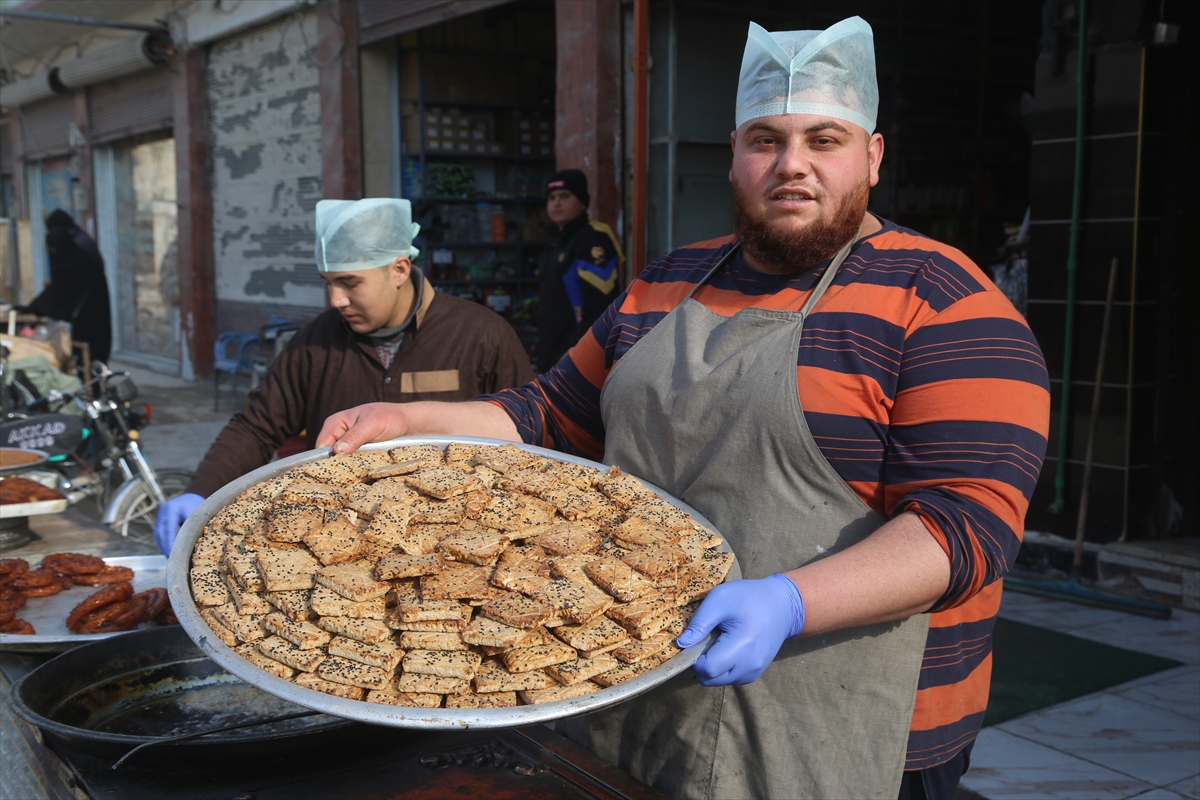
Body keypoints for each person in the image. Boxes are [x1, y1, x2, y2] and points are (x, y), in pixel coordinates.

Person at [317, 18, 1049, 800]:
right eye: (766, 140)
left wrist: (792, 602)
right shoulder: (667, 282)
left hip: (852, 732)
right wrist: (408, 421)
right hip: (643, 697)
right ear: (734, 151)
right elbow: (549, 415)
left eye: (824, 140)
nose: (792, 165)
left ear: (871, 156)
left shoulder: (945, 306)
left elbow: (966, 527)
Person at [153, 198, 533, 555]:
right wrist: (201, 492)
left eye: (350, 283)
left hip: (456, 544)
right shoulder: (314, 342)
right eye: (328, 282)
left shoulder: (481, 335)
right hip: (338, 544)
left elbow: (528, 437)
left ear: (398, 270)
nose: (336, 299)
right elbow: (255, 426)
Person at [536, 169, 623, 371]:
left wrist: (578, 351)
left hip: (577, 358)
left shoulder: (592, 240)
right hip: (553, 352)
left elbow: (601, 306)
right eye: (551, 198)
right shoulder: (556, 244)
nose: (556, 203)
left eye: (565, 196)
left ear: (583, 202)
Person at [22, 210, 112, 363]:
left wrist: (36, 308)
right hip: (87, 316)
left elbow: (64, 288)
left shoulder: (79, 254)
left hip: (92, 316)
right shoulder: (75, 248)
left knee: (92, 355)